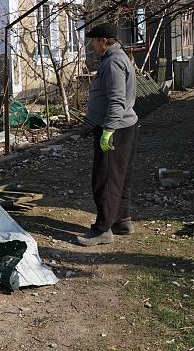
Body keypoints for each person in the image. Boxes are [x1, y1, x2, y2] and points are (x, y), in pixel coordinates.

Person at [77, 23, 139, 246]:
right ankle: (122, 220)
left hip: (115, 128)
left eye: (94, 41)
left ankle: (103, 229)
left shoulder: (113, 62)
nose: (93, 45)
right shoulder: (118, 57)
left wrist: (108, 131)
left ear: (104, 41)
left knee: (106, 178)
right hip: (124, 126)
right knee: (121, 176)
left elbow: (116, 100)